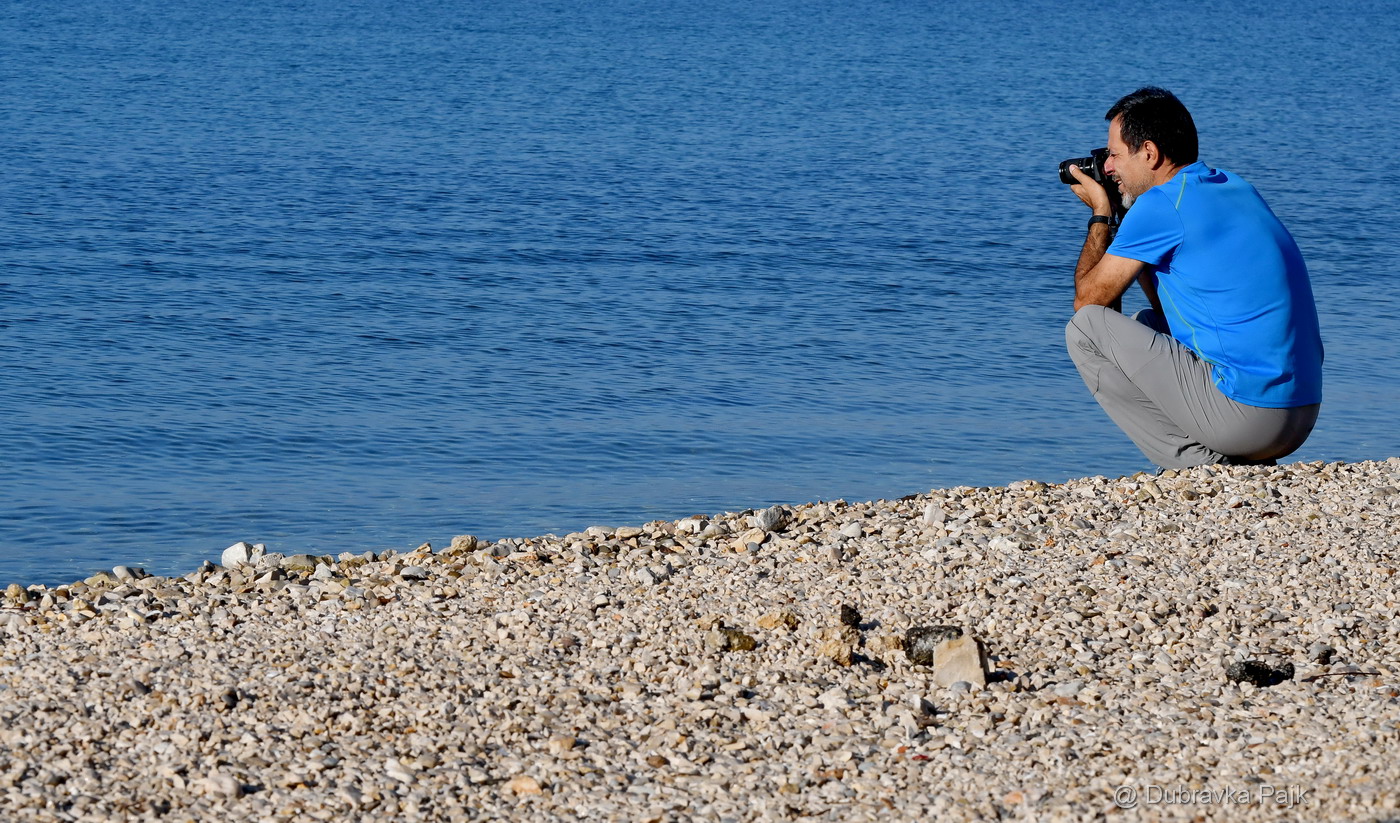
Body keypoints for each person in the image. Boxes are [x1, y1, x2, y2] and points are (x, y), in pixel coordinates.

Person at [1063, 87, 1322, 470]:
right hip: (1300, 412)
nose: (1110, 168)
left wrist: (1102, 213)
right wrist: (1126, 218)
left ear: (1149, 153)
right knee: (1143, 325)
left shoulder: (1161, 204)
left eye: (1114, 155)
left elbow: (1091, 303)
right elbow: (1162, 310)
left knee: (1084, 329)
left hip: (1251, 419)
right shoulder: (1234, 187)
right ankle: (1225, 457)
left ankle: (1198, 467)